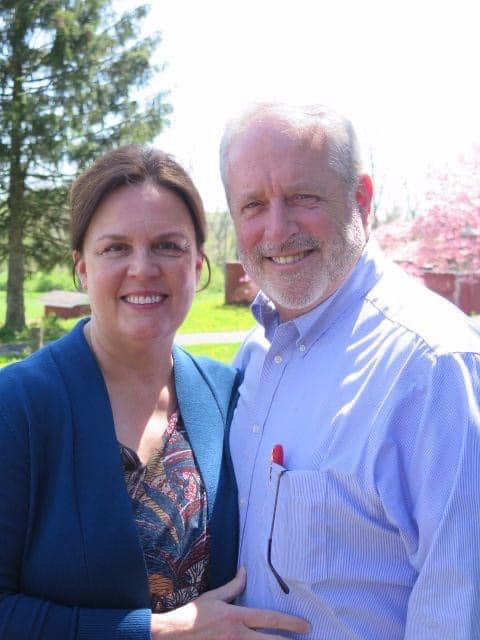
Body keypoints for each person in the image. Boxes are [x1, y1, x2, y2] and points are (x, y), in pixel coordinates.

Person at [0, 145, 310, 640]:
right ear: (82, 267)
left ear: (197, 265)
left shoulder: (227, 396)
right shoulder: (18, 406)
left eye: (168, 246)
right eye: (115, 248)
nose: (143, 268)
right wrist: (157, 631)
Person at [219, 103, 480, 639]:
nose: (277, 230)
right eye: (253, 205)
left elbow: (458, 612)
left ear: (361, 198)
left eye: (303, 197)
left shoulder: (433, 368)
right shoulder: (256, 354)